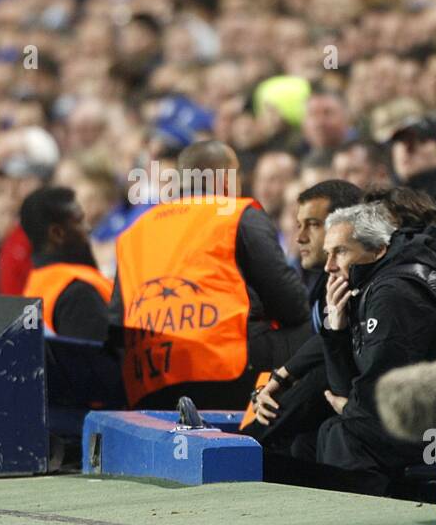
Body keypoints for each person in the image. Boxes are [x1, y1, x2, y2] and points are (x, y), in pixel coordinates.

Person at [296, 203, 436, 495]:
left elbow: (380, 390)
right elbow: (346, 389)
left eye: (341, 252)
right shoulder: (367, 288)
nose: (329, 265)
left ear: (378, 250)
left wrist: (350, 408)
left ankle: (361, 522)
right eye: (329, 253)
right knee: (308, 440)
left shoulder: (395, 292)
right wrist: (336, 328)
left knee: (342, 434)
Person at [110, 140, 310, 409]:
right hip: (225, 373)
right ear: (227, 179)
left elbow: (115, 322)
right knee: (319, 329)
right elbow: (291, 304)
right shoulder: (236, 214)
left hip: (147, 383)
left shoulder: (133, 232)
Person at [248, 179, 360, 452]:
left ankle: (246, 441)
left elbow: (323, 366)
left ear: (343, 225)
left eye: (313, 224)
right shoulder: (323, 282)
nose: (300, 237)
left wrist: (252, 430)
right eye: (299, 225)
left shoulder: (356, 284)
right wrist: (271, 385)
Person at [19, 185, 112, 341]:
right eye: (79, 221)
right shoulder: (78, 293)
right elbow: (99, 362)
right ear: (57, 233)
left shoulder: (34, 284)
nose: (88, 228)